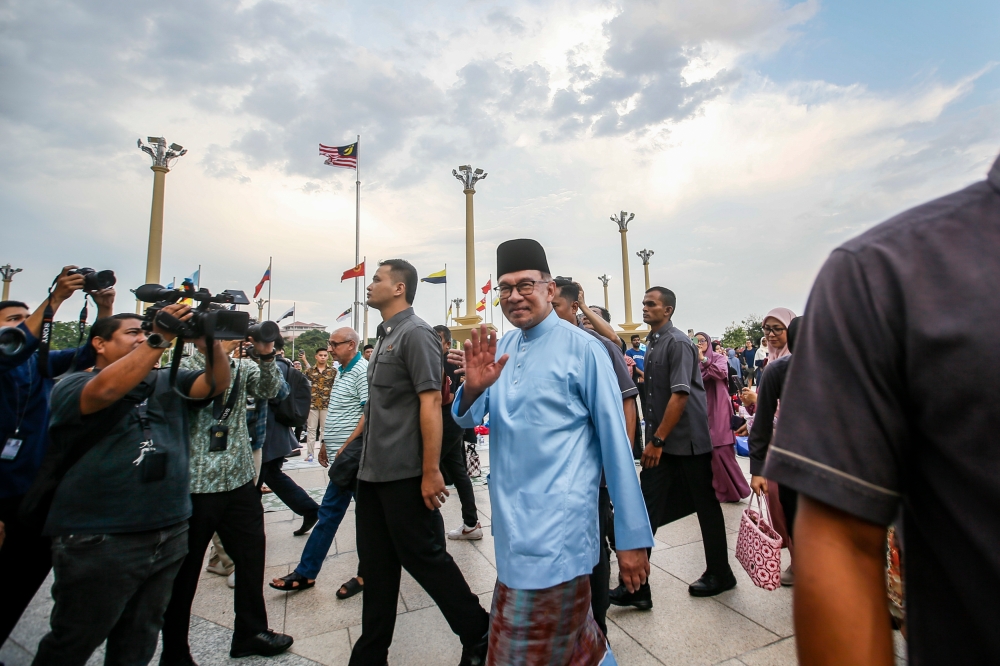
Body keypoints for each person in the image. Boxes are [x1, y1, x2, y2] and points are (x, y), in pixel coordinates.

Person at [764, 152, 1000, 665]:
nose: (772, 336)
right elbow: (843, 540)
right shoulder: (887, 274)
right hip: (824, 461)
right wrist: (762, 467)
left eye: (776, 328)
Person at [454, 240, 652, 665]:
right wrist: (472, 388)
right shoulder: (504, 347)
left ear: (548, 288)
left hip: (559, 533)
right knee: (574, 646)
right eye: (505, 288)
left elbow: (618, 448)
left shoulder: (585, 350)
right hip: (511, 529)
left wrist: (631, 539)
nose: (513, 296)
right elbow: (467, 420)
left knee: (513, 651)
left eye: (525, 285)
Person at [31, 307, 230, 665]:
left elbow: (214, 384)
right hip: (101, 537)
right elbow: (106, 389)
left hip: (167, 528)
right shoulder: (75, 384)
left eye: (146, 332)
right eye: (133, 333)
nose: (143, 338)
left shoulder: (165, 380)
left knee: (139, 636)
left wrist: (209, 343)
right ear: (99, 344)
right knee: (75, 637)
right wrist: (160, 337)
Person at [350, 259, 489, 666]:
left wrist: (431, 471)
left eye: (377, 279)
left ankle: (478, 633)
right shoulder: (385, 335)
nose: (370, 284)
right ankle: (370, 654)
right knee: (376, 569)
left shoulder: (416, 334)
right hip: (374, 474)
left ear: (398, 288)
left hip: (406, 476)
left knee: (426, 559)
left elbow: (431, 402)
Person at [0, 267, 114, 645]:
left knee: (22, 574)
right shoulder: (7, 362)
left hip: (35, 487)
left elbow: (89, 353)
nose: (22, 324)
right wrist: (55, 300)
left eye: (24, 317)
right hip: (4, 489)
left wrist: (104, 310)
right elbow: (15, 344)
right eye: (13, 319)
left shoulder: (38, 361)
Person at [161, 337, 291, 663]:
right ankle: (174, 649)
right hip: (196, 482)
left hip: (238, 480)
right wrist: (213, 350)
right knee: (183, 573)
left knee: (251, 559)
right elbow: (203, 395)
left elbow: (271, 389)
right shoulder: (184, 368)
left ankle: (250, 633)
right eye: (218, 330)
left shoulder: (243, 366)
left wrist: (265, 354)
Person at [612, 287, 736, 609]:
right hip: (664, 442)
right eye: (643, 303)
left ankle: (721, 573)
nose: (644, 308)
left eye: (651, 304)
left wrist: (656, 441)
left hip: (686, 442)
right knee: (647, 507)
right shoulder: (653, 342)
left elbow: (680, 395)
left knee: (706, 507)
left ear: (667, 310)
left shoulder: (678, 342)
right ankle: (636, 587)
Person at [549, 277, 641, 641]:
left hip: (594, 473)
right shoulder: (535, 345)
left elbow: (626, 401)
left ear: (573, 307)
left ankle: (597, 627)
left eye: (556, 306)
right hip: (556, 476)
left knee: (596, 546)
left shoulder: (598, 346)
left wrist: (618, 466)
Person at [270, 327, 368, 594]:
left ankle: (365, 574)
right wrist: (324, 442)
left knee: (364, 520)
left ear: (351, 344)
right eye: (330, 343)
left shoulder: (362, 371)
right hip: (340, 460)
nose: (331, 348)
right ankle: (307, 572)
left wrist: (346, 446)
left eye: (335, 344)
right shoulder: (343, 371)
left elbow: (367, 413)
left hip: (354, 459)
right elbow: (336, 411)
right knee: (328, 515)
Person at [748, 317, 801, 588]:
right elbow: (762, 423)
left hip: (833, 464)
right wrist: (757, 470)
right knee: (794, 519)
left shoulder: (840, 367)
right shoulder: (777, 370)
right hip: (792, 462)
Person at [257, 337, 319, 536]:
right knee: (272, 476)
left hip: (267, 435)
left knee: (260, 480)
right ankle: (308, 508)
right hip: (276, 434)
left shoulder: (274, 368)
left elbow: (275, 394)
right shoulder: (285, 367)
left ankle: (309, 509)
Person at [432, 325, 482, 541]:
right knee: (459, 472)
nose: (432, 343)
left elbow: (448, 397)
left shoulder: (450, 362)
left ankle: (421, 530)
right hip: (450, 423)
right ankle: (471, 523)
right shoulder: (434, 360)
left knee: (424, 469)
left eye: (438, 340)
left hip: (448, 422)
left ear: (448, 344)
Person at [695, 333, 750, 503]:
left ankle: (738, 489)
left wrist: (703, 359)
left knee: (722, 448)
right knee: (709, 451)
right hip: (702, 407)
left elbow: (719, 373)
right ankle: (720, 491)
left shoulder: (718, 358)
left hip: (719, 407)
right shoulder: (692, 362)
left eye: (702, 341)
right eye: (696, 341)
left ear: (708, 342)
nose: (699, 344)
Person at [300, 348, 335, 463]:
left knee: (325, 430)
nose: (323, 357)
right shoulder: (310, 371)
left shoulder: (333, 371)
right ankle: (310, 454)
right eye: (321, 355)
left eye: (325, 355)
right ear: (316, 356)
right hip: (313, 404)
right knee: (311, 430)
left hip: (327, 404)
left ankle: (324, 453)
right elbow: (303, 386)